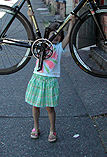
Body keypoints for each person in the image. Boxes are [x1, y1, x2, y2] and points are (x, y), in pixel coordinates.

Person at [25, 10, 75, 142]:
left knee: (49, 108)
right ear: (48, 34)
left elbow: (68, 37)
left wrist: (71, 23)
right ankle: (36, 127)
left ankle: (52, 130)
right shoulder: (42, 45)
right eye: (54, 33)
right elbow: (31, 37)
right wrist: (31, 17)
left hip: (50, 81)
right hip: (37, 78)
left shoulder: (59, 48)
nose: (57, 36)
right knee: (35, 105)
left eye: (59, 34)